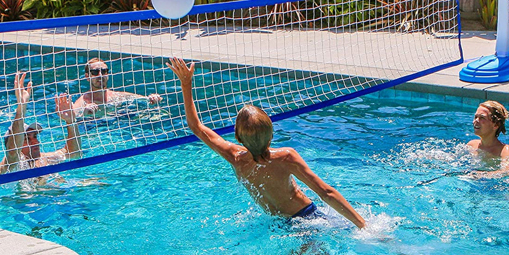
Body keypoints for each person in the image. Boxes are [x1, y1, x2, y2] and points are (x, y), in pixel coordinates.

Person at [167, 57, 366, 229]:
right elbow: (327, 193)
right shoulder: (286, 156)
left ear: (237, 137)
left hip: (279, 224)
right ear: (271, 137)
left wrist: (186, 84)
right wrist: (363, 225)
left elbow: (197, 128)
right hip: (307, 217)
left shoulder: (236, 159)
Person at [0, 72, 81, 176]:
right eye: (27, 139)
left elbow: (74, 153)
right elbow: (13, 152)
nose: (35, 142)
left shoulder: (43, 159)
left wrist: (71, 121)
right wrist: (21, 108)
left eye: (35, 136)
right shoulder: (9, 165)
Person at [73, 57, 162, 117]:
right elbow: (71, 118)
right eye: (95, 72)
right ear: (87, 76)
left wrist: (153, 98)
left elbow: (144, 99)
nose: (100, 75)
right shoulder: (83, 102)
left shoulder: (117, 96)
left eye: (104, 71)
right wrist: (85, 115)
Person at [467, 101, 509, 173]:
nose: (475, 121)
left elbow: (508, 172)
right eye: (476, 117)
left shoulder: (504, 150)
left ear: (496, 125)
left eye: (482, 118)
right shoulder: (472, 145)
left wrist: (479, 175)